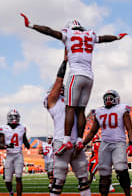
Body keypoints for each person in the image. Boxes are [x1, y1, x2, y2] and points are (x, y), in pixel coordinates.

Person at [20, 13, 128, 155]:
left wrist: (31, 25)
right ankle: (78, 140)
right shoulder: (89, 35)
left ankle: (66, 141)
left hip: (76, 75)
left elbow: (49, 31)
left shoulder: (69, 34)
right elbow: (104, 39)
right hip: (89, 77)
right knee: (81, 110)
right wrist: (117, 37)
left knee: (69, 108)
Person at [44, 52, 91, 196]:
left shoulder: (72, 101)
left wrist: (80, 139)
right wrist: (64, 63)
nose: (61, 89)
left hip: (75, 143)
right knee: (58, 180)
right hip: (61, 142)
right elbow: (58, 82)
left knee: (84, 178)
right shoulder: (51, 101)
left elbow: (81, 117)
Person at [83, 89, 132, 196]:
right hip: (105, 144)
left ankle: (128, 194)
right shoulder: (100, 111)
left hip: (118, 143)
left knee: (121, 170)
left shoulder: (121, 109)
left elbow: (129, 128)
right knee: (104, 173)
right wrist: (83, 144)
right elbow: (93, 131)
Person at [0, 109, 30, 196]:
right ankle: (11, 192)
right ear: (9, 117)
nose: (14, 118)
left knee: (18, 177)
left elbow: (24, 139)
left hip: (18, 155)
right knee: (7, 180)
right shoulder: (3, 128)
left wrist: (27, 144)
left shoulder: (22, 128)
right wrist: (7, 146)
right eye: (12, 116)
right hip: (9, 155)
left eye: (16, 116)